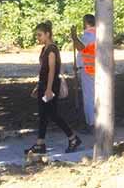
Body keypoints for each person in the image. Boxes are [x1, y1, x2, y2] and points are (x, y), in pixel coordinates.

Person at [25, 21, 81, 155]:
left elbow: (52, 71)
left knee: (51, 114)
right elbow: (43, 70)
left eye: (40, 35)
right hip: (44, 85)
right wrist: (39, 86)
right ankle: (40, 144)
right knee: (45, 114)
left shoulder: (52, 49)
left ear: (47, 34)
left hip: (50, 86)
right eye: (37, 35)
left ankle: (72, 138)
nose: (38, 38)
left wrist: (49, 89)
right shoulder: (44, 48)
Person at [71, 14, 96, 134]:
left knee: (89, 98)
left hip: (88, 70)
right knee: (95, 96)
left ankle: (91, 124)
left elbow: (81, 48)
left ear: (85, 23)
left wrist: (74, 37)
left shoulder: (89, 34)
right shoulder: (99, 34)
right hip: (95, 69)